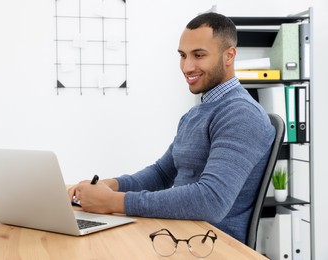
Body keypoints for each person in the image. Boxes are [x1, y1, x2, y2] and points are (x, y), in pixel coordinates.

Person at [68, 12, 275, 244]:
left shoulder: (241, 114)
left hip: (210, 245)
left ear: (229, 55)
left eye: (198, 55)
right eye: (183, 56)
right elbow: (162, 173)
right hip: (175, 234)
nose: (187, 67)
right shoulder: (196, 113)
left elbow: (211, 201)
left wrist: (114, 202)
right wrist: (109, 186)